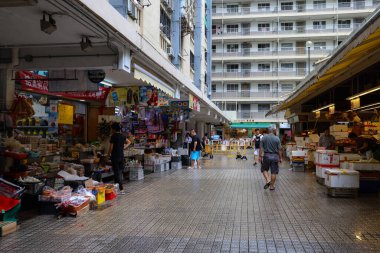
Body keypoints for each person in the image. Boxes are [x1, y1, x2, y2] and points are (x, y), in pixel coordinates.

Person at [107, 122, 131, 195]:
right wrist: (124, 147)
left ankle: (121, 189)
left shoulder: (113, 136)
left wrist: (108, 155)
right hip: (121, 156)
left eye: (111, 128)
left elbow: (111, 147)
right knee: (119, 173)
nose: (111, 130)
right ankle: (116, 188)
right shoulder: (122, 135)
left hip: (115, 157)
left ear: (114, 129)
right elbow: (129, 142)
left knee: (117, 173)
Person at [259, 126, 282, 191]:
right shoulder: (277, 138)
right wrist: (280, 158)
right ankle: (271, 186)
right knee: (274, 172)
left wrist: (260, 156)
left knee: (264, 169)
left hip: (266, 156)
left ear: (268, 131)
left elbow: (261, 148)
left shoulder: (263, 138)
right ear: (274, 131)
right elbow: (280, 149)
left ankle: (268, 180)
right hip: (275, 156)